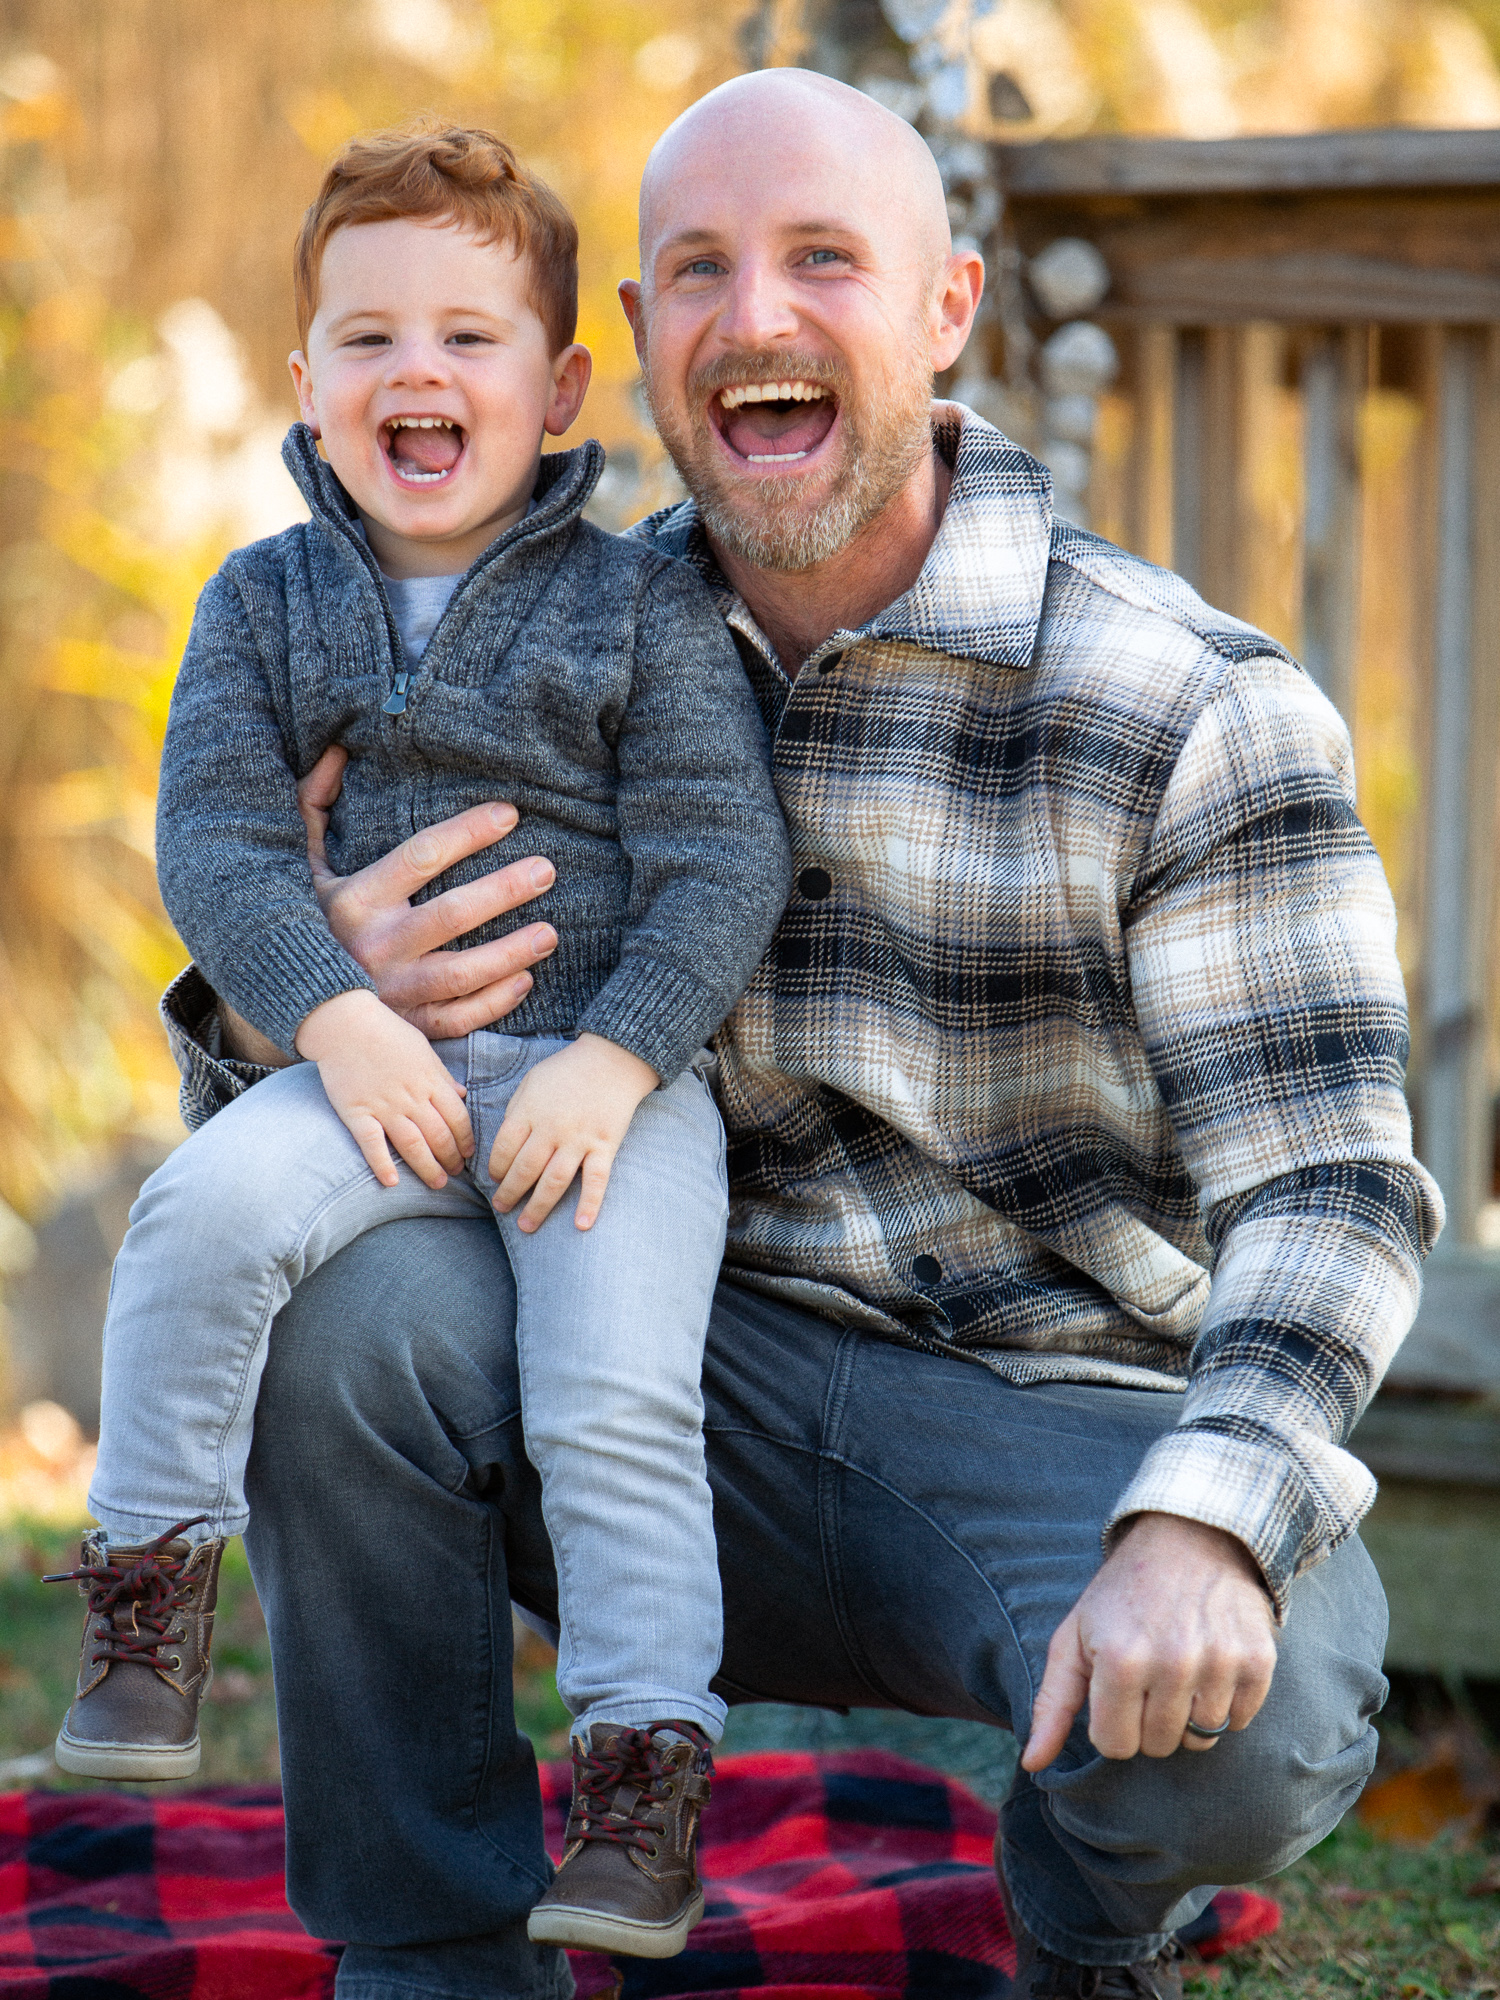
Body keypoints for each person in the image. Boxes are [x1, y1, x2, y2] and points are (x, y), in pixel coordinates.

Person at [160, 69, 1439, 2000]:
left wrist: (1201, 1524)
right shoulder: (528, 642)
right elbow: (301, 1071)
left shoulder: (1185, 707)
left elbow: (1334, 1190)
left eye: (821, 258)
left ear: (948, 312)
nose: (755, 315)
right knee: (348, 1324)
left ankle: (1077, 1928)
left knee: (1260, 1699)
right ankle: (430, 1950)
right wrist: (298, 992)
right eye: (697, 270)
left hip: (1059, 1415)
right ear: (640, 346)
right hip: (669, 1373)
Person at [49, 122, 792, 1962]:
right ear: (306, 382)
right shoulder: (265, 601)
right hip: (365, 1063)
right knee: (200, 1216)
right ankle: (148, 1593)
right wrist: (332, 1016)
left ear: (557, 387)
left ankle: (638, 1784)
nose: (418, 375)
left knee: (615, 1396)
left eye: (468, 337)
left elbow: (722, 861)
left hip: (600, 1088)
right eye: (368, 339)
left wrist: (617, 1060)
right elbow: (218, 845)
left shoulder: (641, 604)